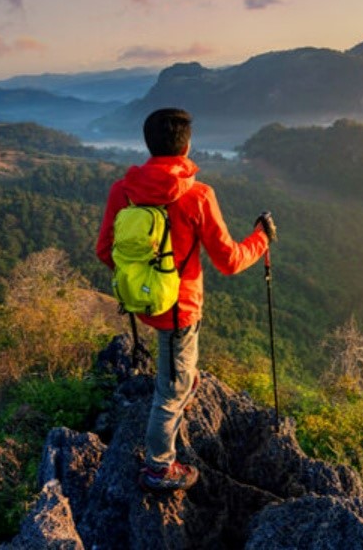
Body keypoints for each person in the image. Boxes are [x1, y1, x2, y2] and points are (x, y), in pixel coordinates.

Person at [96, 107, 276, 492]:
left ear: (149, 144)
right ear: (187, 146)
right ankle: (159, 468)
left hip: (144, 303)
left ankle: (185, 382)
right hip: (181, 310)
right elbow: (229, 261)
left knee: (179, 370)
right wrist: (261, 240)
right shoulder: (198, 195)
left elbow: (105, 250)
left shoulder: (123, 191)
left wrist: (142, 281)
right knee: (169, 392)